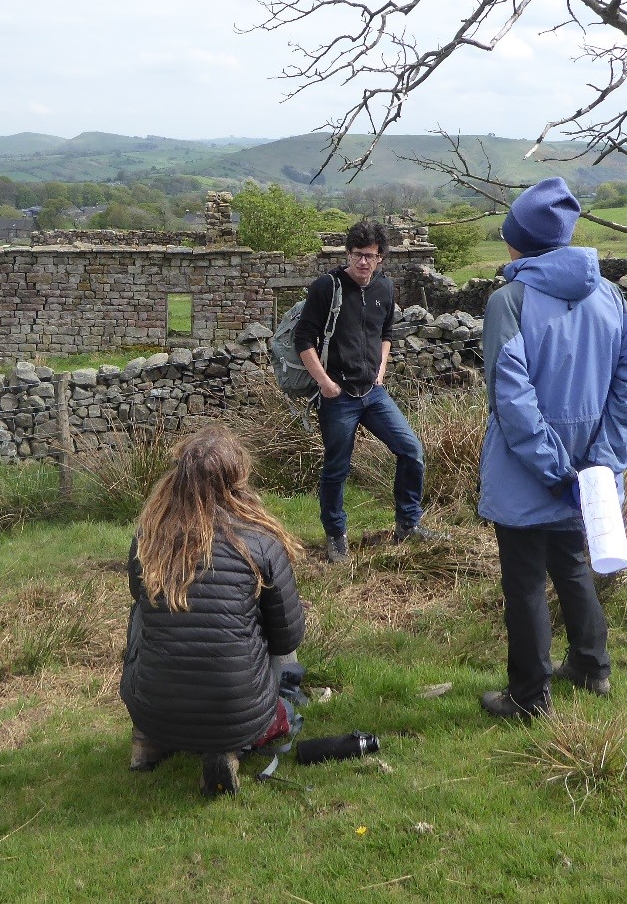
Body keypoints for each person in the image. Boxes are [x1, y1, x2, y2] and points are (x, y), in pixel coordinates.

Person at [477, 177, 627, 719]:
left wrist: (556, 470)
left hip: (529, 472)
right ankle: (591, 666)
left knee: (525, 583)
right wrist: (603, 458)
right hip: (592, 473)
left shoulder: (509, 301)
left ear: (519, 241)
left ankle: (530, 697)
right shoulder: (610, 295)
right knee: (573, 564)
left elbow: (513, 397)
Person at [119, 426, 306, 797]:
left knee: (141, 612)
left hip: (153, 710)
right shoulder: (262, 543)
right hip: (241, 713)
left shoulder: (148, 540)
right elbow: (287, 638)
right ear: (238, 480)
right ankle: (229, 742)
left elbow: (138, 600)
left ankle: (150, 738)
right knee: (267, 626)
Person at [295, 219, 428, 563]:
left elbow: (387, 333)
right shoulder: (327, 287)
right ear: (348, 253)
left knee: (411, 450)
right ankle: (336, 536)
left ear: (381, 257)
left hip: (373, 392)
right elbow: (303, 340)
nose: (363, 262)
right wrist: (324, 383)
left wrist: (381, 370)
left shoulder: (385, 287)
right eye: (357, 255)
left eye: (370, 255)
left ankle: (408, 524)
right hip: (337, 396)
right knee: (337, 466)